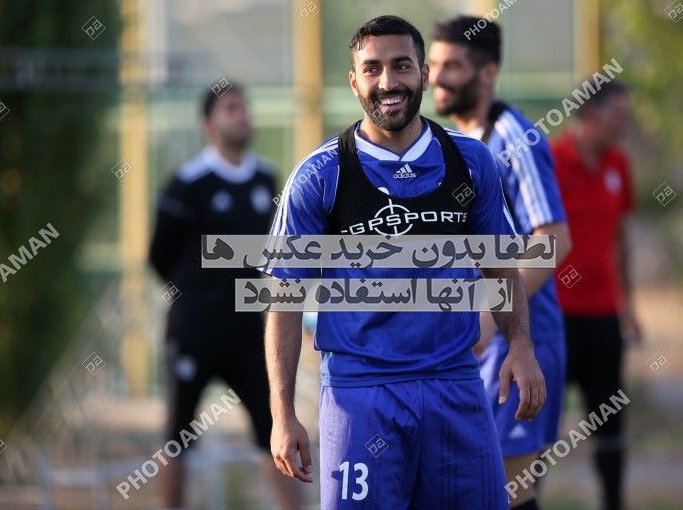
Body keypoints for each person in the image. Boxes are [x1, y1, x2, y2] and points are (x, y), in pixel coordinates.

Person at [263, 15, 546, 509]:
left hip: (455, 385)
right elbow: (284, 299)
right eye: (372, 69)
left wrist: (521, 345)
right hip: (360, 395)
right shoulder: (320, 175)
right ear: (354, 81)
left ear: (424, 74)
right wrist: (282, 413)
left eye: (401, 66)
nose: (387, 82)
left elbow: (501, 268)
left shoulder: (471, 162)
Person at [429, 16, 572, 510]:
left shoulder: (514, 137)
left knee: (508, 491)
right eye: (433, 64)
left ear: (488, 72)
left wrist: (492, 313)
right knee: (471, 490)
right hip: (481, 340)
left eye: (452, 66)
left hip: (520, 338)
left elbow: (554, 239)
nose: (436, 77)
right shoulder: (457, 144)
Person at [148, 83, 302, 510]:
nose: (242, 115)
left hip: (248, 333)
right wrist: (198, 296)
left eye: (244, 107)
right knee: (179, 434)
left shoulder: (266, 178)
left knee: (273, 426)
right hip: (193, 331)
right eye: (231, 108)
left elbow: (273, 254)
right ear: (208, 124)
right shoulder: (187, 183)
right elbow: (158, 257)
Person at [551, 79, 639, 510]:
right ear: (589, 115)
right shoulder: (551, 162)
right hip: (556, 319)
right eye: (618, 116)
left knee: (610, 426)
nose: (625, 125)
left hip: (604, 318)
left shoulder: (618, 164)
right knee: (537, 427)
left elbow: (620, 239)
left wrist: (628, 307)